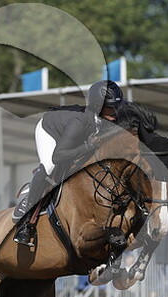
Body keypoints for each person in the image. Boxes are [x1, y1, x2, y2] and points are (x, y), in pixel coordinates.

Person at [14, 80, 124, 246]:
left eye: (116, 108)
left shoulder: (107, 122)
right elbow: (58, 156)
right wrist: (88, 146)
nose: (114, 113)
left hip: (72, 138)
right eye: (109, 109)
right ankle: (25, 220)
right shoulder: (79, 123)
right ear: (97, 107)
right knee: (50, 166)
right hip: (50, 131)